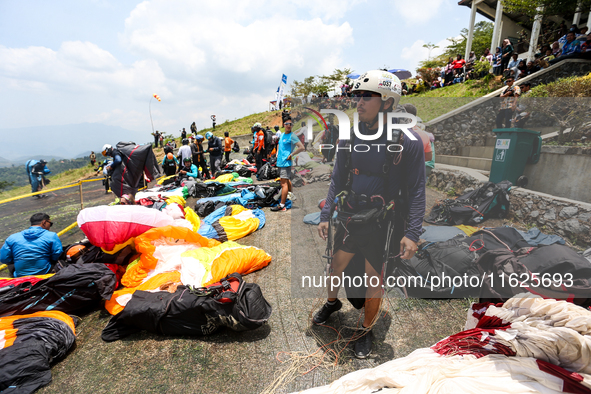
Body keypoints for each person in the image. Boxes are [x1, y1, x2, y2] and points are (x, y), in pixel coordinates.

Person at [314, 69, 425, 359]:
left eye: (366, 97)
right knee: (336, 266)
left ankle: (365, 331)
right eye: (357, 97)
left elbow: (416, 191)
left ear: (387, 103)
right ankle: (331, 303)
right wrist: (326, 214)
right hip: (350, 215)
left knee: (373, 279)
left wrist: (412, 233)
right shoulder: (350, 138)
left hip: (382, 221)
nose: (358, 103)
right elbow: (337, 180)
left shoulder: (407, 142)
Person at [0, 213, 62, 277]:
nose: (50, 226)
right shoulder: (51, 235)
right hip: (45, 272)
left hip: (20, 275)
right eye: (50, 224)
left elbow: (4, 258)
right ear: (44, 222)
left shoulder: (12, 237)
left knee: (11, 264)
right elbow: (57, 254)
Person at [271, 118, 304, 212]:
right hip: (280, 162)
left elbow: (302, 147)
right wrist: (277, 153)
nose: (288, 125)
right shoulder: (282, 135)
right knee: (287, 181)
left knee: (283, 183)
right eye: (286, 123)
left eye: (290, 124)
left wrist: (292, 154)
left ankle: (282, 205)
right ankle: (289, 196)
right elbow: (279, 144)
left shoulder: (292, 136)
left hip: (286, 162)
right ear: (284, 124)